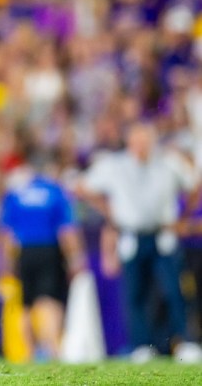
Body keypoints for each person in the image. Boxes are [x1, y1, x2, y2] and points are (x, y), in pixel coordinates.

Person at [78, 120, 202, 362]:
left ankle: (186, 341)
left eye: (145, 141)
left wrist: (183, 217)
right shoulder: (115, 165)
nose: (141, 146)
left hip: (163, 233)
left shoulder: (168, 162)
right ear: (129, 142)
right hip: (131, 235)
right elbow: (83, 187)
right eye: (137, 141)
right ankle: (142, 345)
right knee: (135, 293)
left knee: (174, 289)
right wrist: (109, 211)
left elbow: (195, 186)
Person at [0, 149, 87, 361]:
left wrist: (5, 263)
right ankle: (53, 349)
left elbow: (6, 234)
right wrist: (76, 259)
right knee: (49, 301)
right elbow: (67, 231)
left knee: (26, 304)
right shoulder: (56, 192)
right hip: (49, 250)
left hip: (24, 252)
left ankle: (28, 352)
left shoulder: (16, 193)